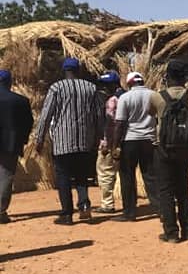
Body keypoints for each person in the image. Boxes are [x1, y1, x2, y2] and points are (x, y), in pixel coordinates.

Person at [34, 57, 103, 224]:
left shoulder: (56, 88)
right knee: (81, 175)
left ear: (64, 71)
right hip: (84, 141)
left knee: (63, 176)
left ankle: (67, 214)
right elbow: (98, 115)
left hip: (62, 142)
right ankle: (84, 205)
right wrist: (99, 136)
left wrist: (39, 138)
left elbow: (46, 115)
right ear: (78, 71)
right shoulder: (91, 88)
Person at [150, 61, 188, 242]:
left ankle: (171, 232)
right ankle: (187, 228)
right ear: (184, 77)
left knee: (165, 190)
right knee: (183, 189)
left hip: (163, 147)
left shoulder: (157, 97)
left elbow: (151, 113)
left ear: (167, 76)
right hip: (185, 148)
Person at [111, 71, 158, 225]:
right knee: (150, 175)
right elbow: (158, 117)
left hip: (130, 140)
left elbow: (120, 123)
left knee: (127, 177)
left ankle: (129, 212)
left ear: (129, 83)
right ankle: (160, 209)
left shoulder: (125, 98)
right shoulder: (153, 95)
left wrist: (115, 145)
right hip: (149, 140)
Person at [0, 70, 34, 223]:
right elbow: (28, 123)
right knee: (5, 175)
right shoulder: (21, 101)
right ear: (9, 82)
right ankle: (1, 211)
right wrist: (23, 139)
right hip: (11, 143)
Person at [95, 71, 124, 213]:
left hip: (110, 143)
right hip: (126, 141)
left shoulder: (112, 101)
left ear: (113, 85)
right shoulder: (125, 97)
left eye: (106, 85)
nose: (104, 88)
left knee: (105, 173)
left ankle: (107, 204)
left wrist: (108, 144)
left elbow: (112, 124)